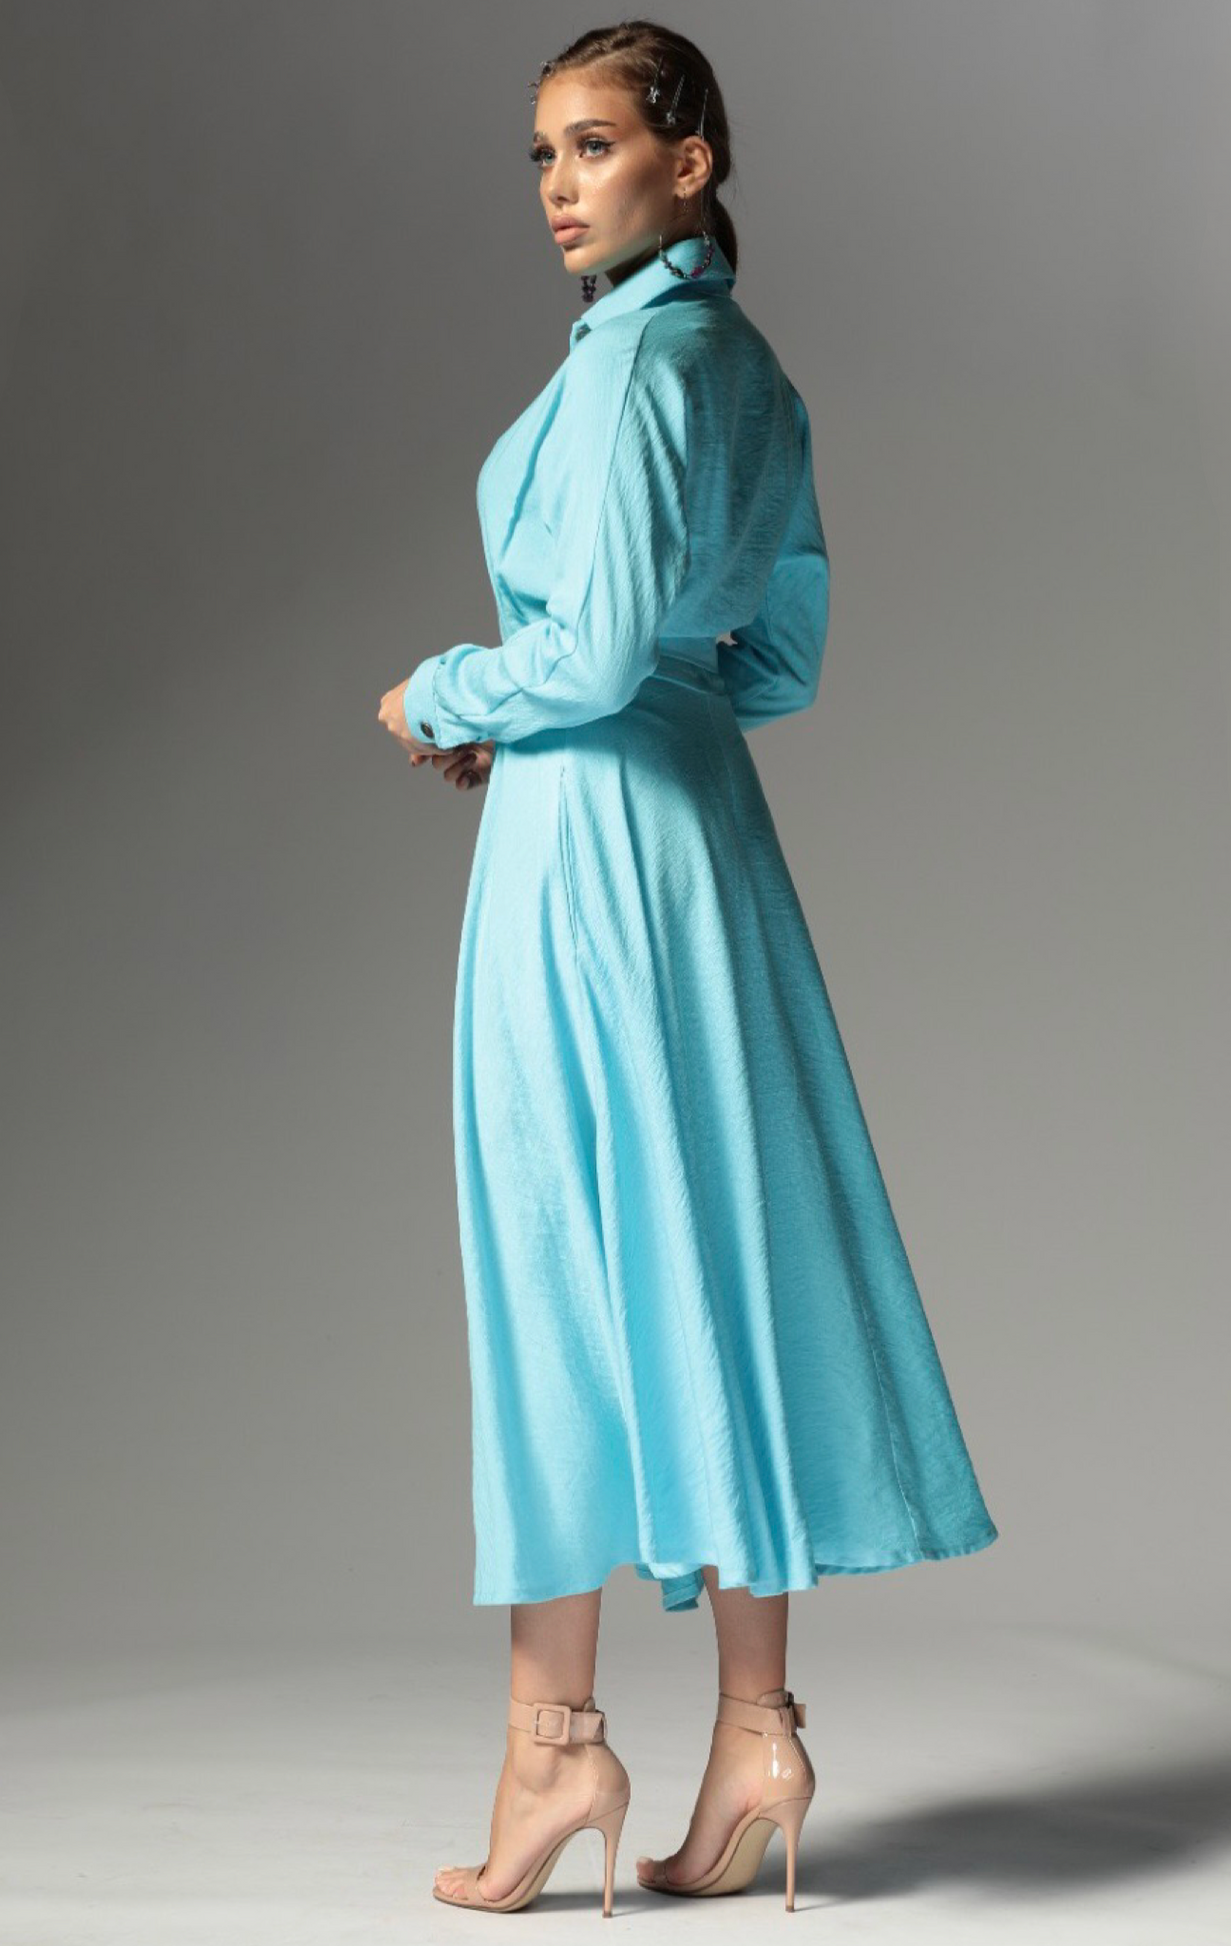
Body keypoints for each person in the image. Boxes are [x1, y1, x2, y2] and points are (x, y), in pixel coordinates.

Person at [378, 20, 999, 1916]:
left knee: (561, 1256)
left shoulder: (636, 366)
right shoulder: (747, 368)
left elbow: (575, 656)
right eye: (540, 156)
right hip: (703, 837)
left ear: (691, 159)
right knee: (715, 1249)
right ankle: (755, 1731)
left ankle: (551, 1748)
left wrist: (447, 696)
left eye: (592, 146)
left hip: (582, 852)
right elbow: (776, 659)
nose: (558, 187)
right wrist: (620, 693)